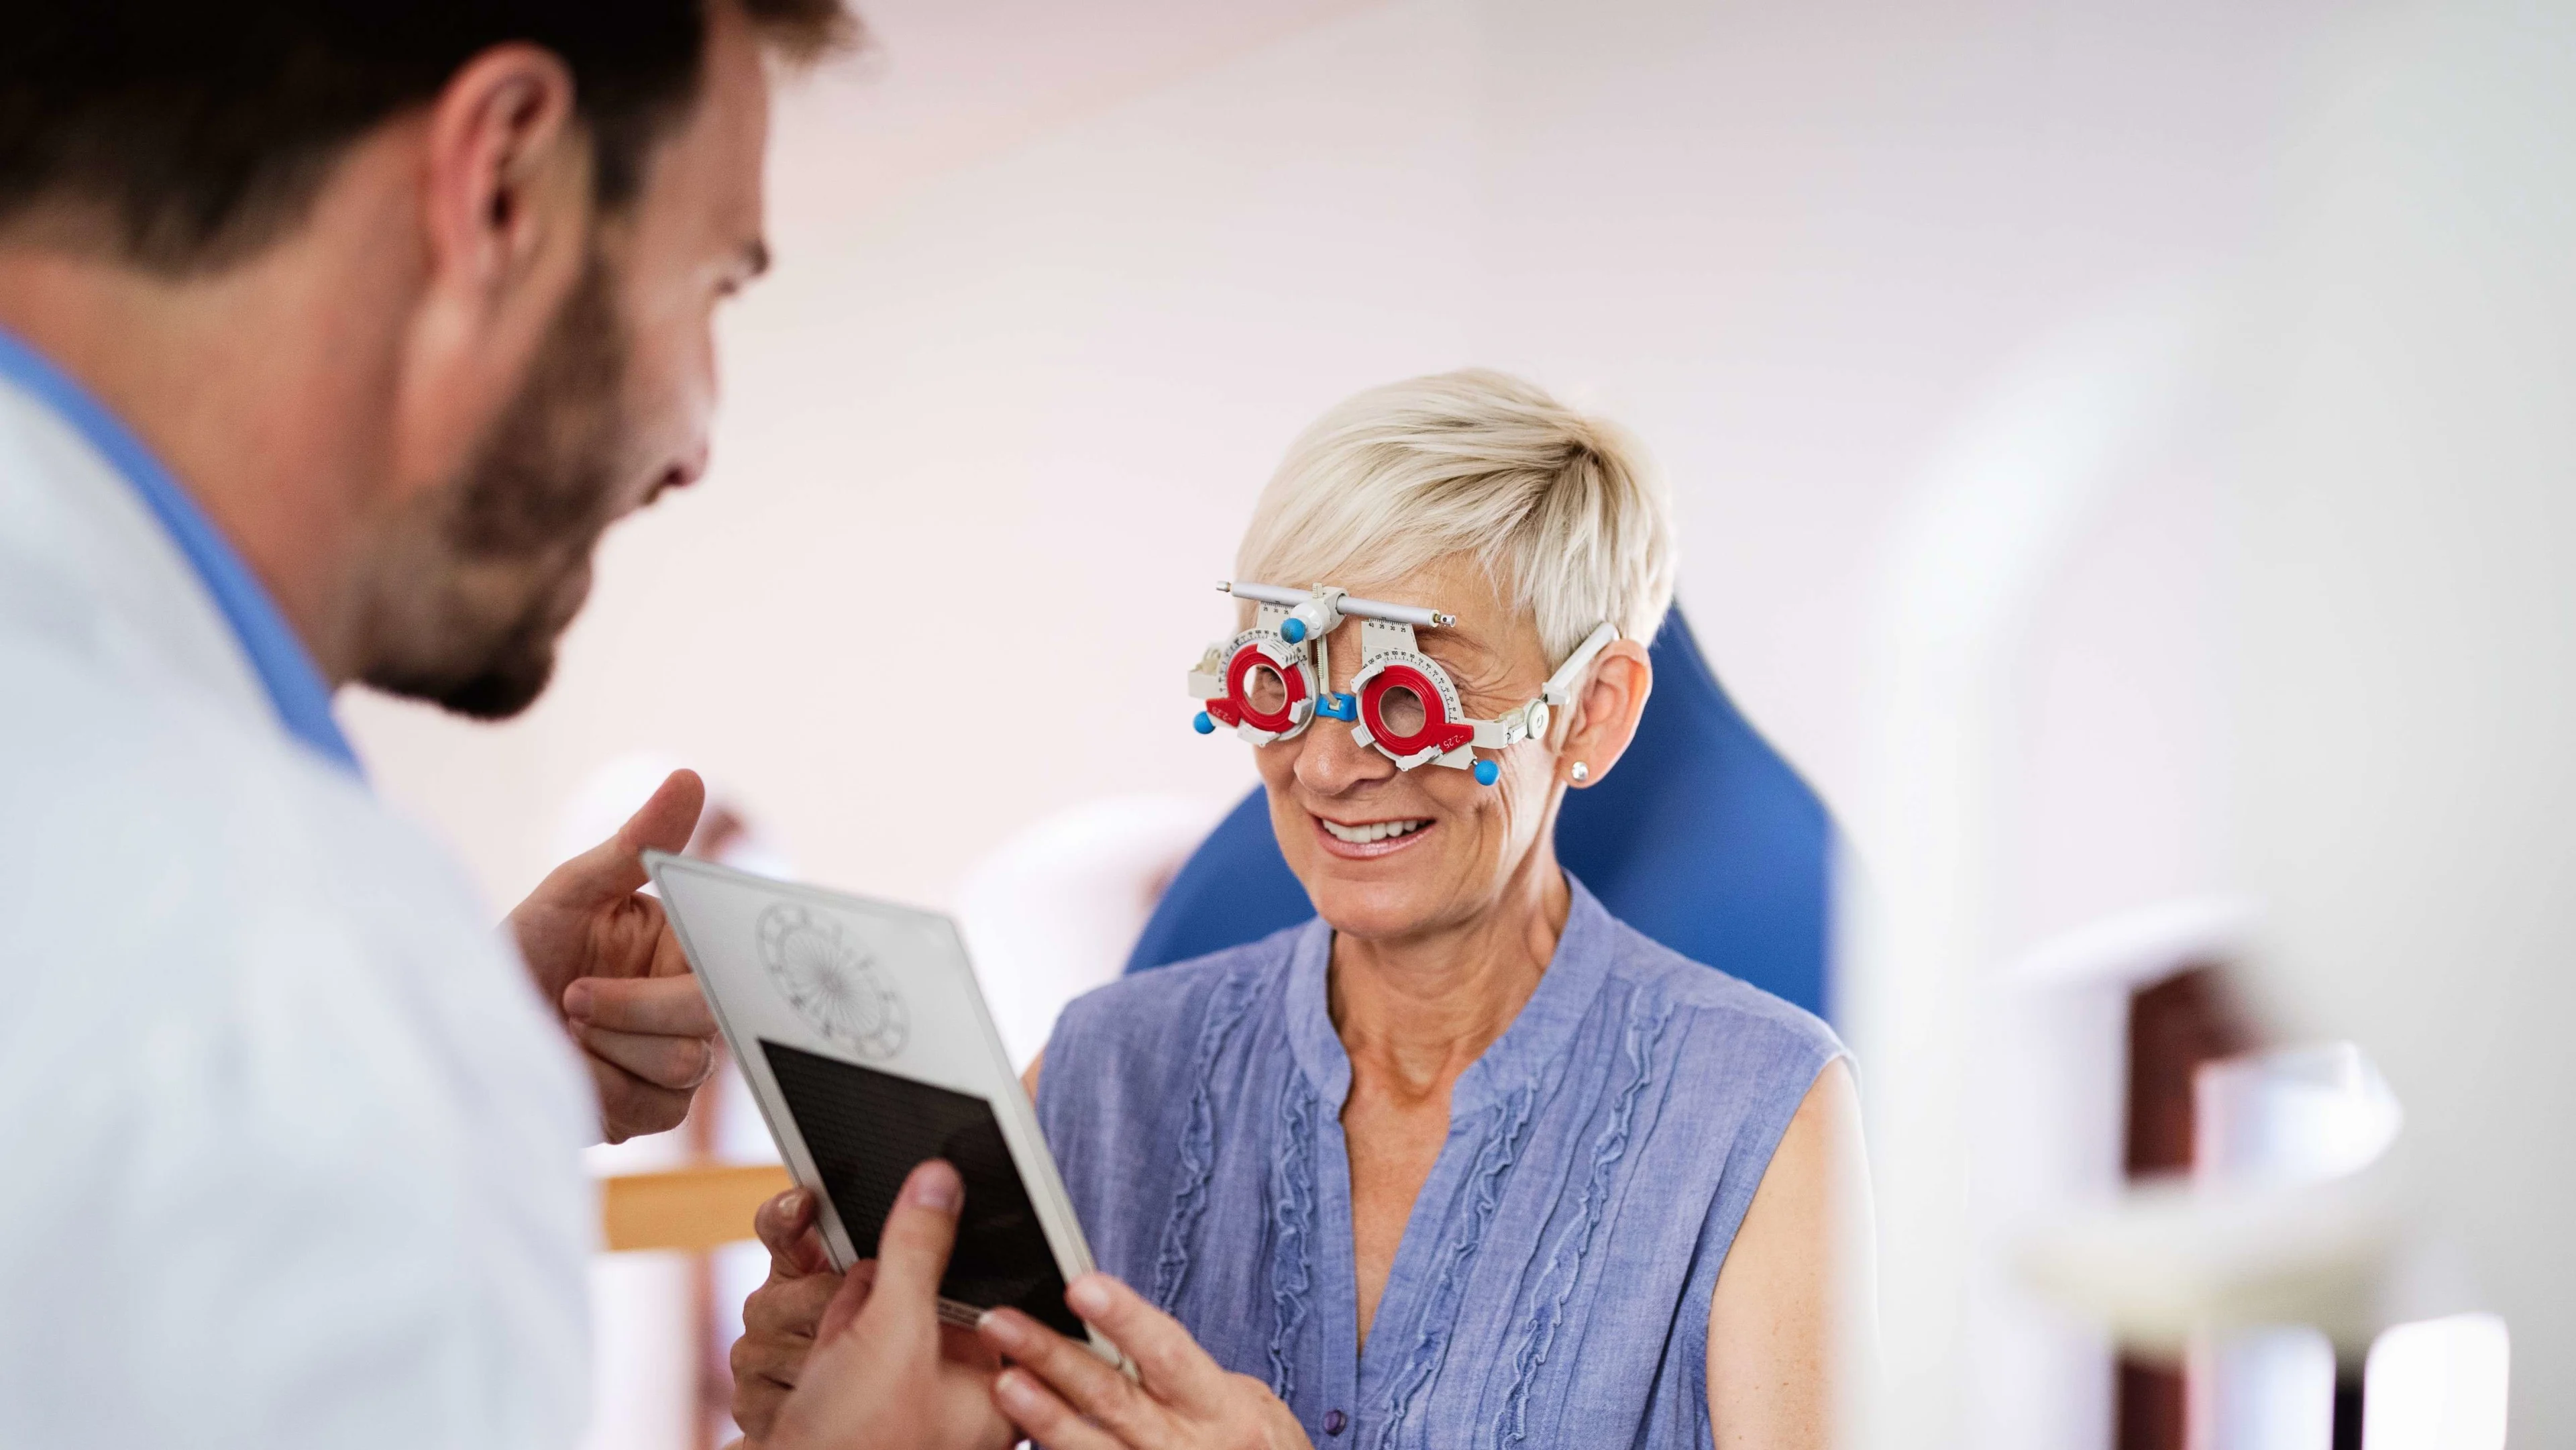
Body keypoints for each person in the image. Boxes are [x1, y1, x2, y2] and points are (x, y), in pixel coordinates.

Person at [0, 3, 1009, 1445]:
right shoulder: (285, 972)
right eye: (712, 287)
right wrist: (403, 1073)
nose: (695, 439)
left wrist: (467, 1059)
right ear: (503, 184)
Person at [734, 371, 1875, 1448]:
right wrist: (837, 1401)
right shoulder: (1104, 1067)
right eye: (1281, 677)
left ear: (1591, 715)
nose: (1326, 768)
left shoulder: (1763, 1110)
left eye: (1405, 693)